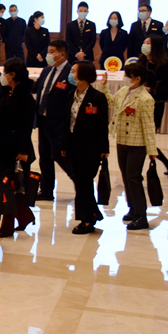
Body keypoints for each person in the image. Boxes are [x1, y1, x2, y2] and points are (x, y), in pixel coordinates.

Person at [98, 63, 157, 230]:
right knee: (126, 177)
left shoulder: (145, 99)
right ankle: (133, 209)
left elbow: (149, 125)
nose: (124, 78)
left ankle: (141, 216)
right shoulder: (124, 91)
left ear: (137, 79)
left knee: (133, 178)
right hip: (122, 141)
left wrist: (152, 150)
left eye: (127, 76)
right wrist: (104, 88)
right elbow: (111, 102)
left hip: (137, 144)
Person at [62, 62, 109, 235]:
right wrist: (64, 145)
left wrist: (104, 148)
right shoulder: (70, 95)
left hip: (90, 148)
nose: (70, 74)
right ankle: (92, 213)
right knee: (81, 183)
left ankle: (87, 220)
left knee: (84, 183)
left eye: (73, 71)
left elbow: (102, 125)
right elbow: (66, 123)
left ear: (83, 75)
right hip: (73, 146)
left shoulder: (97, 98)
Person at [0, 59, 36, 237]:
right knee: (5, 185)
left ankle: (8, 225)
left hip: (16, 150)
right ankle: (25, 216)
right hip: (3, 147)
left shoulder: (25, 98)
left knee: (9, 186)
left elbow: (25, 128)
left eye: (5, 73)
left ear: (12, 75)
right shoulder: (7, 93)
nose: (2, 76)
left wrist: (23, 151)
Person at [34, 40, 74, 201]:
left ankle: (81, 184)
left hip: (59, 123)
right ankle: (46, 190)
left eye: (51, 52)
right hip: (43, 120)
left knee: (60, 156)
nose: (48, 55)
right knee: (44, 157)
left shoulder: (70, 73)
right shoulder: (46, 71)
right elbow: (39, 89)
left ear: (62, 54)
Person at [138, 34, 168, 171]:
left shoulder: (164, 64)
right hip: (139, 103)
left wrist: (153, 89)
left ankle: (166, 163)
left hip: (156, 104)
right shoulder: (141, 61)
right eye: (144, 42)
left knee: (148, 137)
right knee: (142, 138)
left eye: (148, 43)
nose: (145, 45)